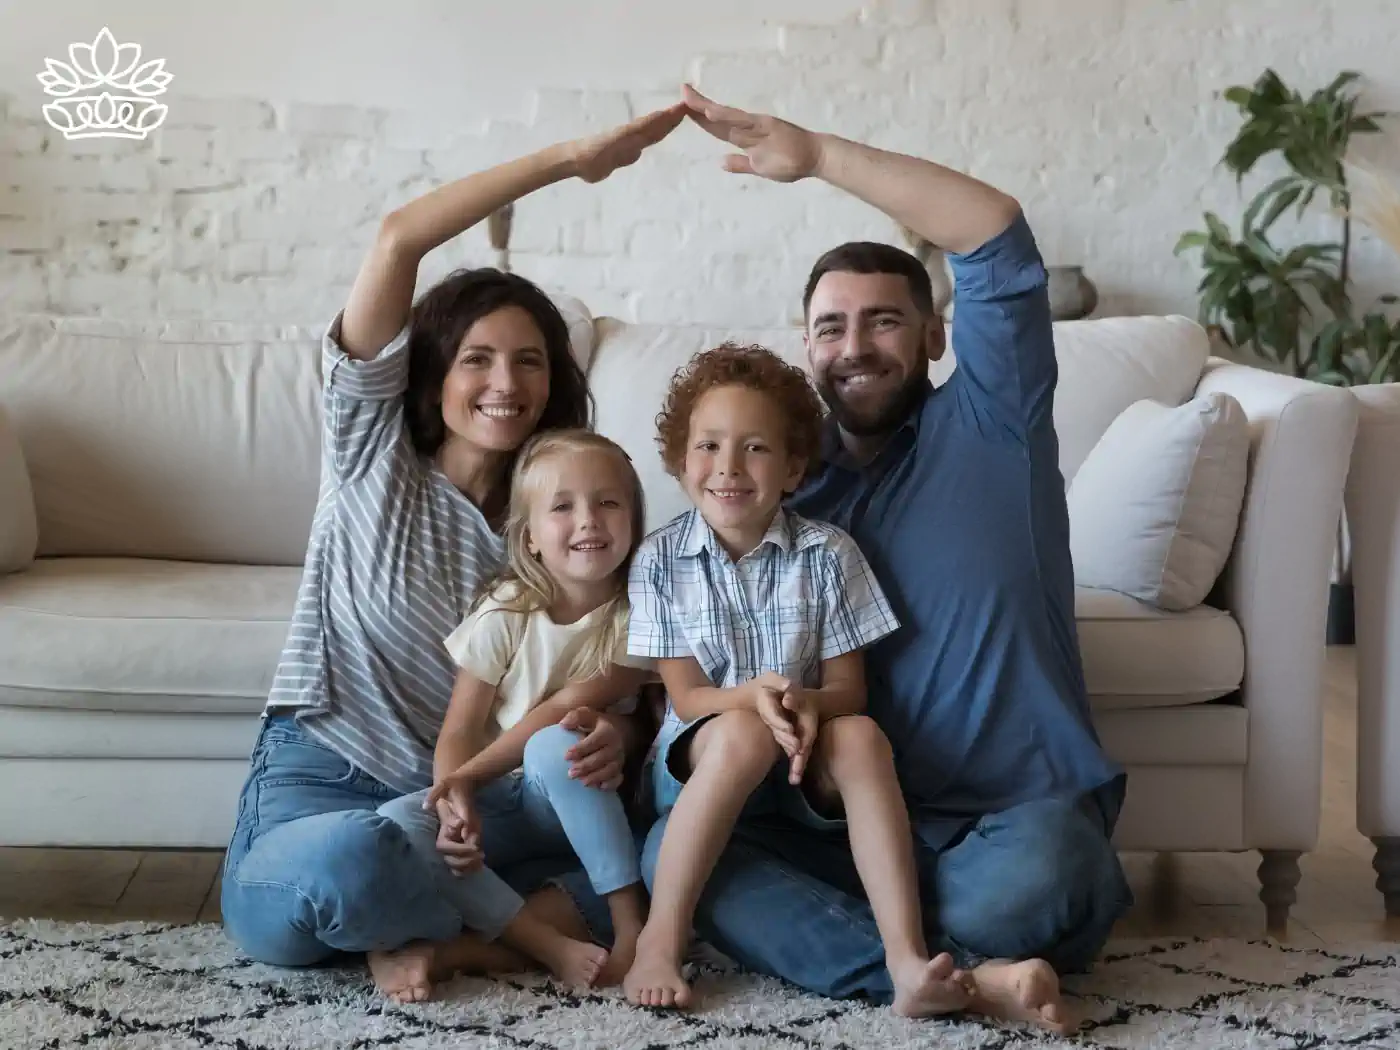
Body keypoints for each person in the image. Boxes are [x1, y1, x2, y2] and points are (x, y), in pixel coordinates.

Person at [633, 85, 1134, 1035]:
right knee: (676, 863)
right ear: (806, 348)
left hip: (1006, 815)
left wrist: (816, 154)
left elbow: (994, 233)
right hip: (836, 821)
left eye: (884, 321)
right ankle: (961, 978)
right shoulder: (778, 485)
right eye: (831, 327)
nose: (854, 347)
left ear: (937, 335)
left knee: (1034, 891)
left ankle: (904, 948)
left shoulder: (994, 422)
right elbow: (675, 628)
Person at [219, 102, 686, 1001]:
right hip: (329, 775)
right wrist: (567, 158)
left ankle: (447, 935)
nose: (505, 383)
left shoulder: (566, 521)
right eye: (477, 358)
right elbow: (398, 239)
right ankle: (488, 927)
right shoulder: (371, 453)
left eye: (530, 361)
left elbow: (607, 668)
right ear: (431, 374)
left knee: (679, 865)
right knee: (347, 863)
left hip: (488, 805)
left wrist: (618, 736)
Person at [620, 344, 975, 1018]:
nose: (728, 467)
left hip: (799, 757)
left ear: (792, 469)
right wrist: (753, 699)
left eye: (754, 449)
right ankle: (660, 940)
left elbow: (850, 691)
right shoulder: (660, 561)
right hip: (701, 758)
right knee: (744, 735)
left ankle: (904, 956)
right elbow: (689, 699)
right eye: (709, 446)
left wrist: (806, 702)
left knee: (864, 736)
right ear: (679, 459)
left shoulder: (828, 554)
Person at [378, 430, 654, 997]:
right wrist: (454, 800)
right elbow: (458, 729)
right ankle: (543, 943)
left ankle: (633, 928)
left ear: (633, 519)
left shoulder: (641, 615)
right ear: (529, 538)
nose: (589, 520)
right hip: (504, 799)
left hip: (579, 798)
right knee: (401, 825)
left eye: (608, 502)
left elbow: (563, 708)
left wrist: (467, 775)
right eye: (562, 506)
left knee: (556, 742)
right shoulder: (507, 611)